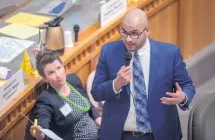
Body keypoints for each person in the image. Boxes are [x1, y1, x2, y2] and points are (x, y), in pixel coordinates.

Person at [91, 8, 196, 140]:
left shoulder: (169, 54)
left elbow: (187, 85)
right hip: (120, 135)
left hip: (159, 134)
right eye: (124, 32)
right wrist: (115, 84)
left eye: (134, 33)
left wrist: (183, 97)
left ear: (147, 31)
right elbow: (96, 92)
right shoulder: (108, 52)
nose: (128, 39)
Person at [30, 49, 101, 140]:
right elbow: (43, 129)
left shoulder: (73, 80)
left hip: (99, 134)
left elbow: (88, 104)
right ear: (45, 78)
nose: (58, 75)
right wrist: (38, 133)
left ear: (63, 66)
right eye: (51, 72)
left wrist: (99, 120)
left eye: (59, 68)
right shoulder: (46, 99)